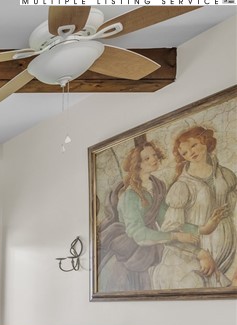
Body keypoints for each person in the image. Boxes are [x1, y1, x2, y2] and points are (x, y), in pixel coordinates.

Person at [97, 137, 196, 292]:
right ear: (137, 165)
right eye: (146, 158)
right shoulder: (130, 196)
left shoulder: (157, 186)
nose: (153, 160)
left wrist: (199, 230)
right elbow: (138, 234)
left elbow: (166, 220)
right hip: (135, 251)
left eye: (154, 155)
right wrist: (175, 237)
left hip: (155, 239)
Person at [152, 125, 237, 290]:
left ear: (205, 141)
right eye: (184, 152)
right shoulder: (181, 187)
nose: (191, 152)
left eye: (193, 145)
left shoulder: (227, 175)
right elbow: (169, 232)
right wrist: (200, 254)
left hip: (227, 258)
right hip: (192, 262)